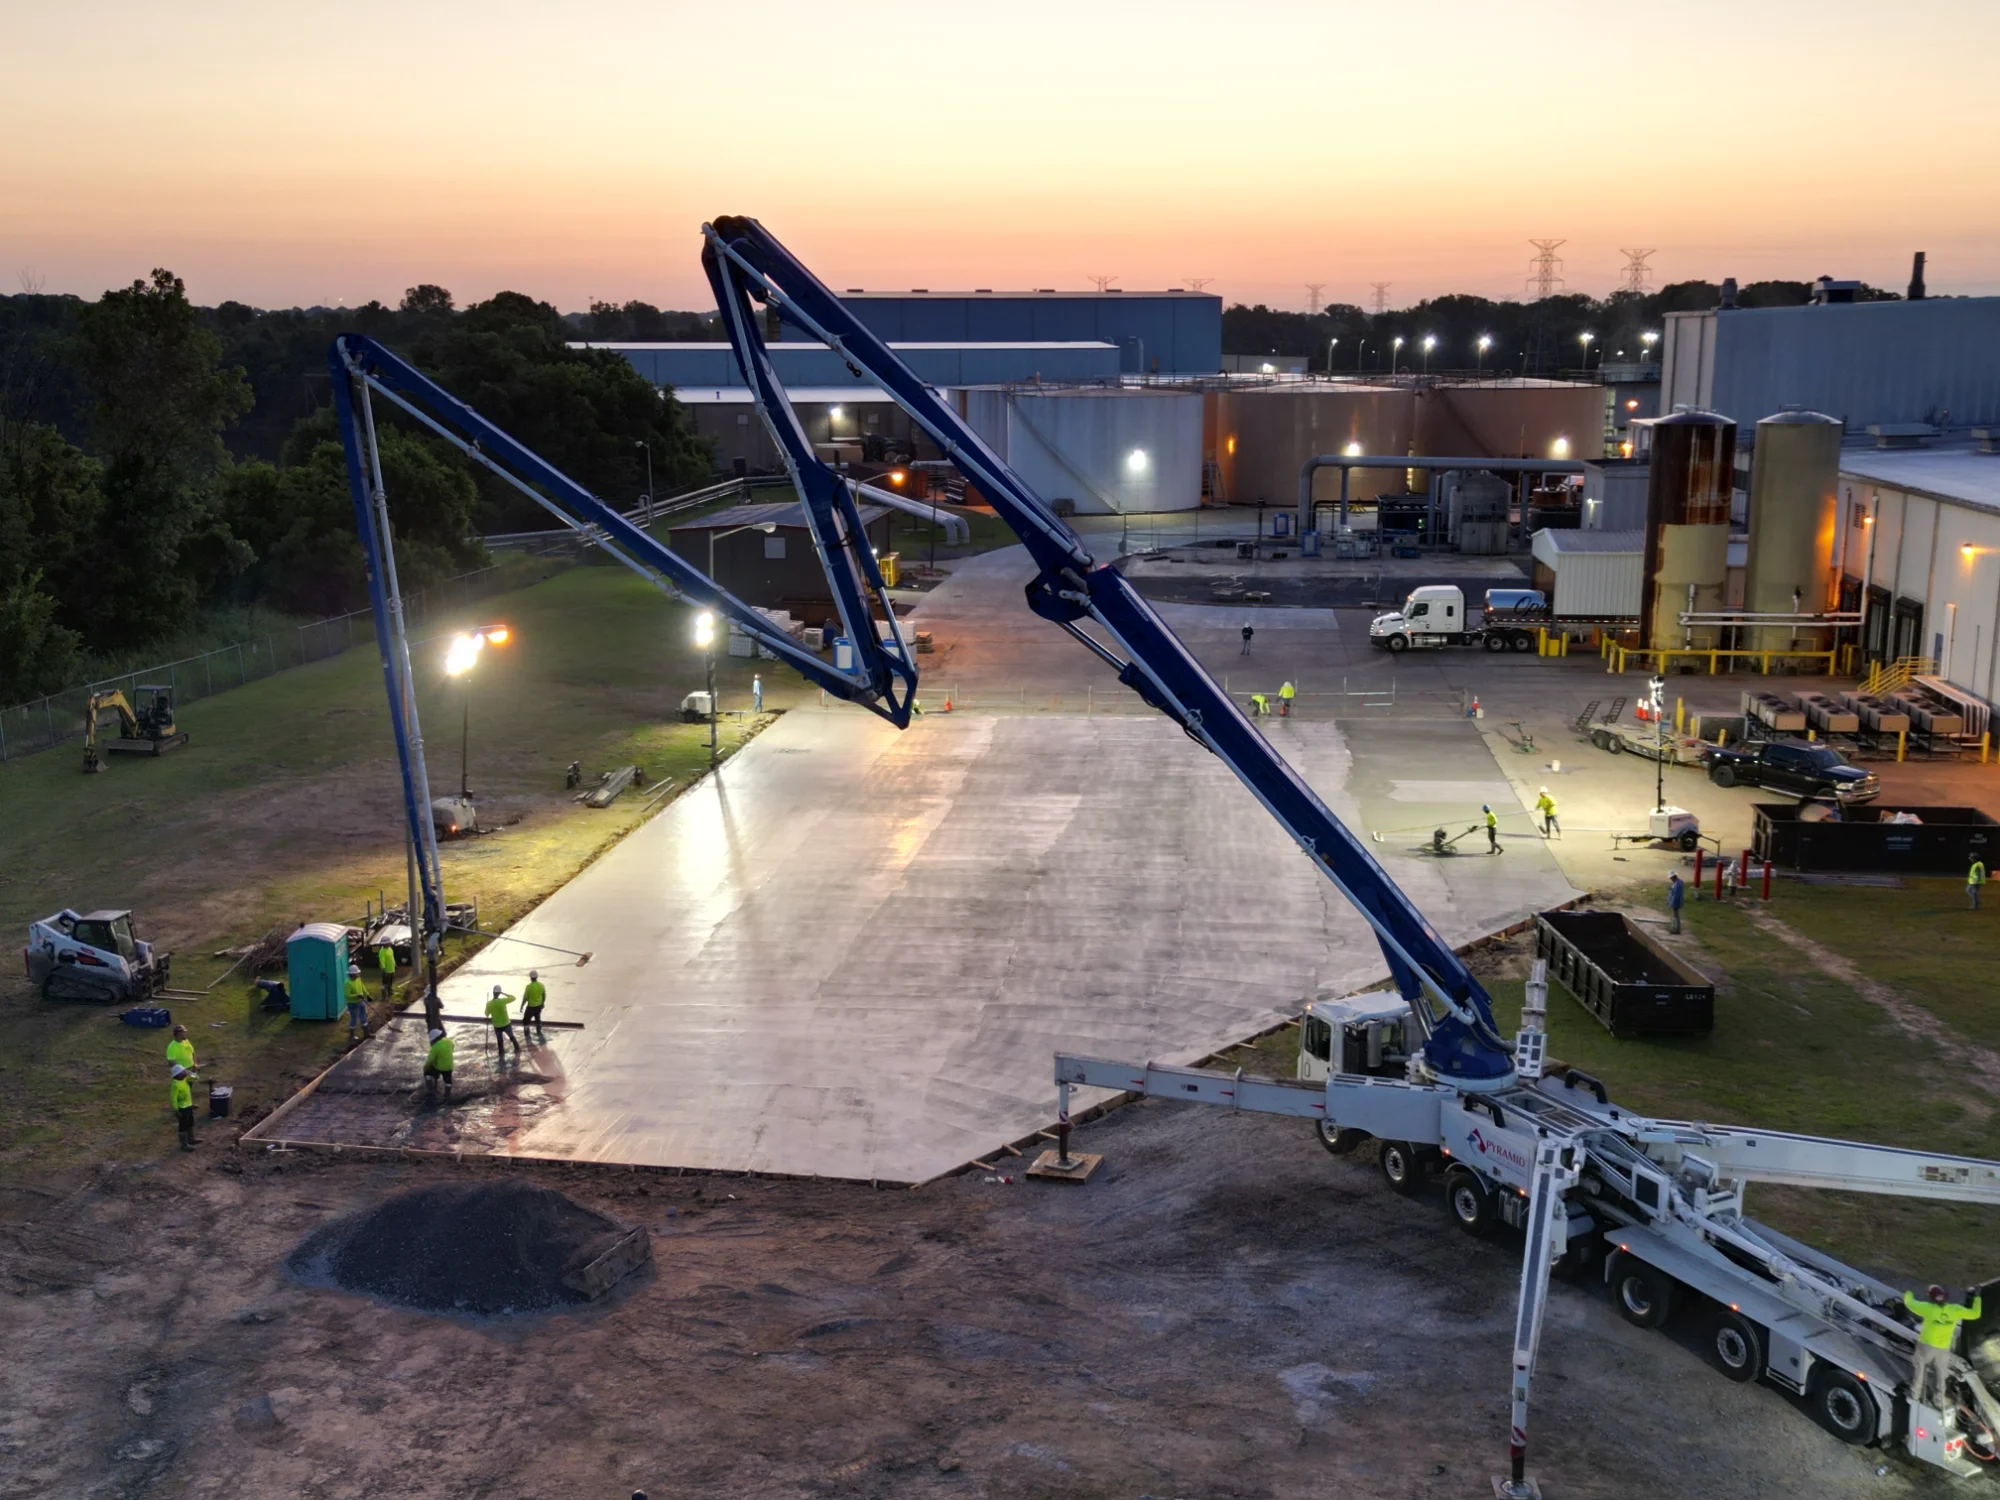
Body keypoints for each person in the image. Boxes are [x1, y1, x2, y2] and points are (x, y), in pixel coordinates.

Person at [1905, 1283, 1983, 1406]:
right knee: (1941, 1374)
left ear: (1930, 1298)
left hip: (1926, 1346)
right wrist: (1976, 1297)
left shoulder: (1927, 1308)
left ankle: (1915, 1395)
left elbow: (1909, 1303)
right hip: (1943, 1348)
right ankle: (1939, 1400)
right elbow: (1975, 1313)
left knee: (1920, 1369)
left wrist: (1908, 1292)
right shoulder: (1955, 1310)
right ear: (1946, 1296)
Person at [486, 983, 519, 1058]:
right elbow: (513, 998)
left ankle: (501, 1055)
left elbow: (486, 1014)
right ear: (499, 993)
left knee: (500, 1042)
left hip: (497, 1026)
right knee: (512, 1037)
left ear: (493, 992)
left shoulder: (489, 1004)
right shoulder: (503, 1001)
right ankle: (517, 1050)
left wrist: (487, 1007)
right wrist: (504, 993)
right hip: (506, 1024)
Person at [170, 1064, 197, 1151]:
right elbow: (173, 1098)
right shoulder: (175, 1085)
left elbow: (196, 1078)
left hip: (188, 1105)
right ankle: (184, 1144)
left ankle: (191, 1139)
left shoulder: (185, 1079)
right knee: (183, 1125)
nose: (185, 1072)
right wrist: (176, 1110)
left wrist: (191, 1073)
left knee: (190, 1122)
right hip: (182, 1108)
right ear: (178, 1074)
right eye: (183, 1071)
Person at [424, 1027, 455, 1103]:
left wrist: (425, 1068)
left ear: (434, 1039)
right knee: (448, 1081)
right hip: (449, 1067)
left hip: (438, 1067)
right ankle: (447, 1096)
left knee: (427, 1073)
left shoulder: (435, 1047)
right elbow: (452, 1048)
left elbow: (430, 1060)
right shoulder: (450, 1042)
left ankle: (431, 1091)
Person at [343, 962, 371, 1044]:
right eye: (357, 973)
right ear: (352, 974)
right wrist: (357, 995)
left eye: (358, 973)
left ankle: (367, 1033)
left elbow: (362, 987)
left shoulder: (358, 979)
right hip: (352, 1004)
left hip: (361, 1001)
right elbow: (347, 995)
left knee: (364, 1016)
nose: (358, 974)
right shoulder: (347, 983)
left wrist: (367, 994)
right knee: (354, 1019)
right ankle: (351, 1036)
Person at [521, 969, 547, 1041]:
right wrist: (543, 1003)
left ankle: (527, 1034)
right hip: (538, 1006)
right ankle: (538, 1031)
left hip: (531, 1007)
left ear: (530, 977)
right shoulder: (541, 985)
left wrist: (522, 1005)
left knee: (526, 1020)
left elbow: (525, 998)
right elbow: (544, 995)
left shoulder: (529, 987)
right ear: (537, 977)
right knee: (537, 1019)